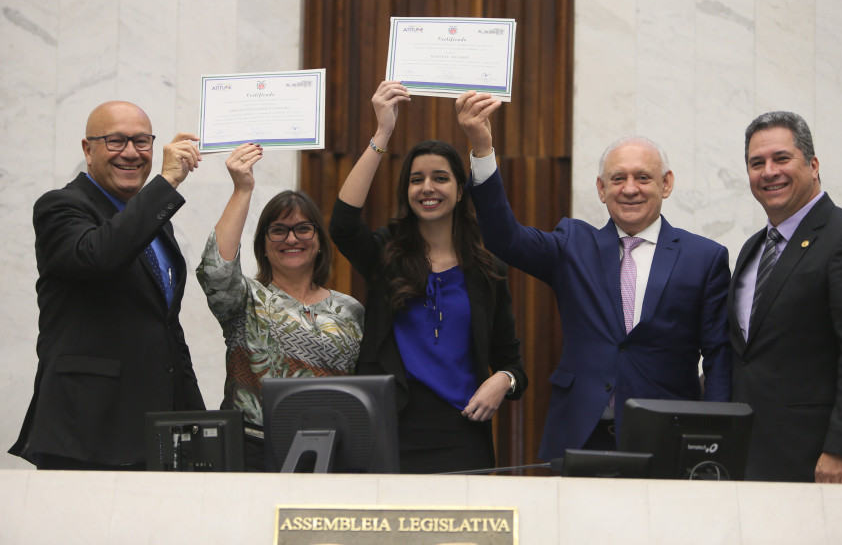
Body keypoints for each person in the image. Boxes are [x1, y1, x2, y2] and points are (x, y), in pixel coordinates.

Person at [456, 92, 732, 462]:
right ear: (601, 189)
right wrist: (482, 148)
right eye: (617, 178)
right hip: (581, 434)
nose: (630, 188)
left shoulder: (705, 257)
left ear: (666, 184)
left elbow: (717, 354)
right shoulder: (573, 244)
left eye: (643, 178)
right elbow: (504, 237)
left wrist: (714, 438)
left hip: (668, 434)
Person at [329, 81, 527, 474]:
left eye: (440, 177)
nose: (427, 188)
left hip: (463, 434)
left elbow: (513, 364)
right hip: (388, 428)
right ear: (406, 191)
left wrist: (503, 380)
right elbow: (343, 225)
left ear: (459, 189)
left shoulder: (488, 271)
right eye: (416, 179)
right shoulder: (387, 255)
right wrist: (382, 133)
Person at [9, 101, 206, 470]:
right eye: (116, 141)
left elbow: (166, 328)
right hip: (86, 431)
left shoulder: (155, 221)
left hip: (157, 431)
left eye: (142, 141)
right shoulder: (60, 207)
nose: (131, 153)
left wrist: (195, 417)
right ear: (88, 149)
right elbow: (101, 257)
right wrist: (165, 183)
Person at [196, 144, 364, 472]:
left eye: (303, 228)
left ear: (318, 243)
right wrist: (243, 189)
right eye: (278, 230)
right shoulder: (244, 299)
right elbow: (216, 269)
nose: (291, 239)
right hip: (251, 451)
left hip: (333, 453)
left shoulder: (351, 309)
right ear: (263, 244)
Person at [729, 111, 842, 483]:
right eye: (757, 163)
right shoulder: (751, 249)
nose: (769, 172)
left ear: (813, 164)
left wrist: (841, 447)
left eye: (781, 158)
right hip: (749, 454)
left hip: (819, 459)